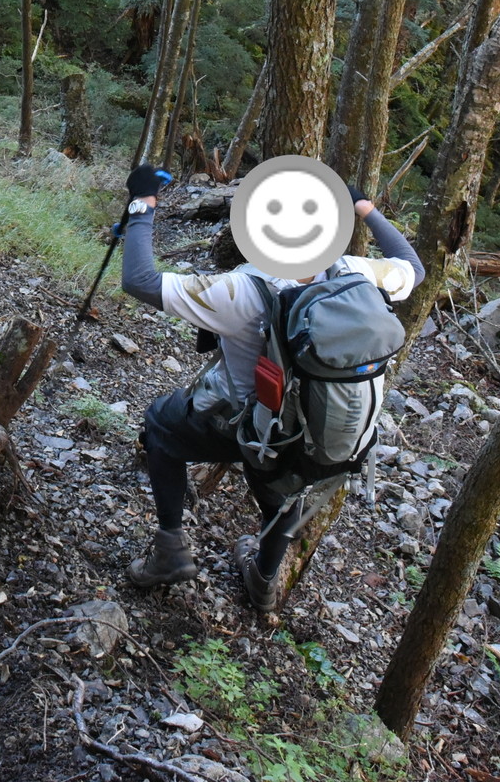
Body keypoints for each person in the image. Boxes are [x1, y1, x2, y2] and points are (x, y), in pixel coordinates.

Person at [117, 165, 424, 609]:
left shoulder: (241, 290)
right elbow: (413, 268)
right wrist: (365, 209)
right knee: (283, 493)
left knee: (161, 425)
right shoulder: (357, 273)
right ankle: (263, 579)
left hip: (245, 426)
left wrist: (141, 205)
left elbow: (140, 281)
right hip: (319, 434)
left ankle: (169, 550)